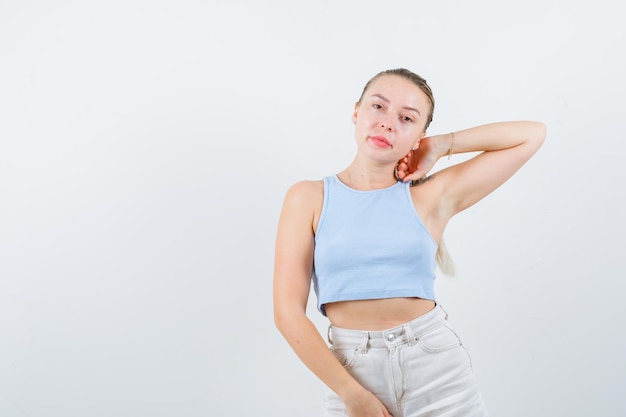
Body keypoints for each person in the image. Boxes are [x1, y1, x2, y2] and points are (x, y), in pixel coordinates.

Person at [273, 68, 546, 417]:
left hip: (436, 370)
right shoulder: (308, 197)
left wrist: (443, 145)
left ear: (419, 135)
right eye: (378, 107)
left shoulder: (430, 197)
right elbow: (287, 313)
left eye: (406, 118)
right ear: (356, 111)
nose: (388, 123)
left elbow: (533, 135)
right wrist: (350, 393)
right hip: (351, 372)